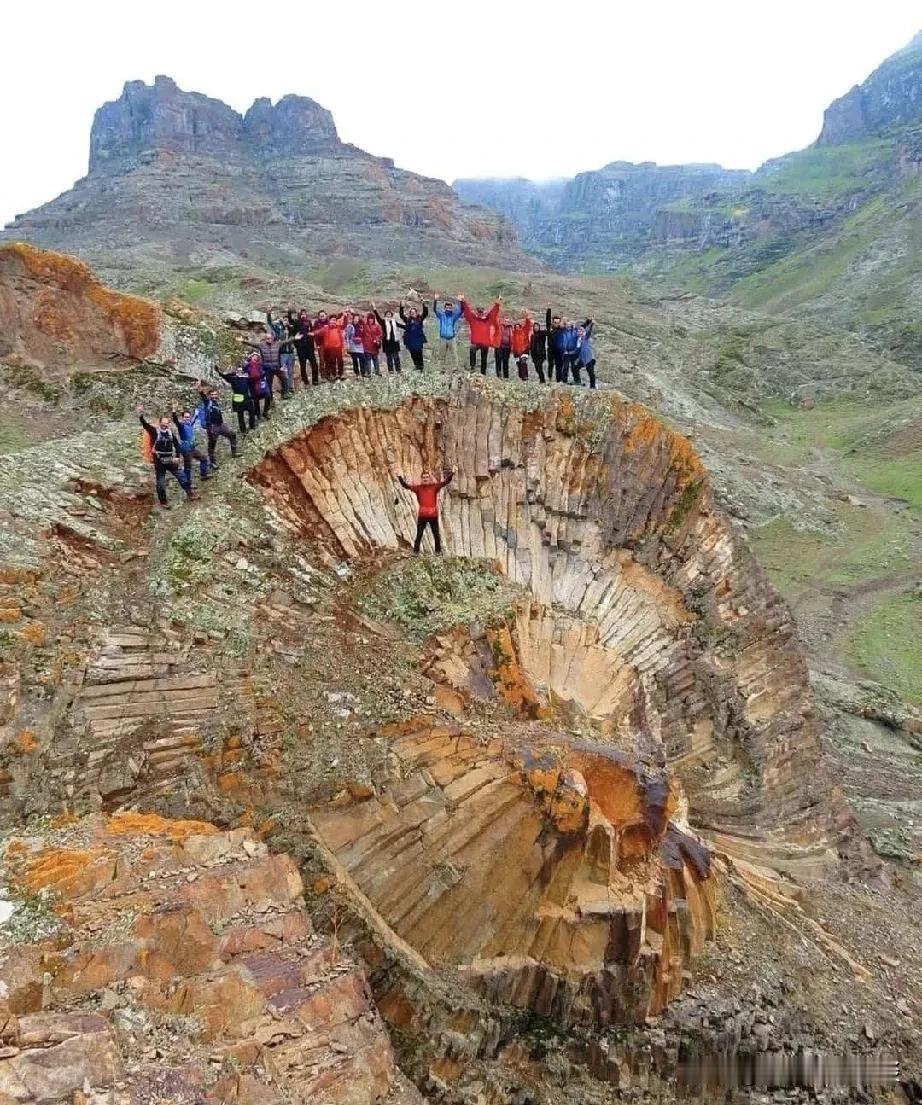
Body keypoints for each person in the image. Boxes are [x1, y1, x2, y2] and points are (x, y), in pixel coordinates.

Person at [138, 407, 193, 509]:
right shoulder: (154, 431)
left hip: (170, 460)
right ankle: (163, 502)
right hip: (159, 462)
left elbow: (177, 446)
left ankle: (190, 494)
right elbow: (145, 425)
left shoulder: (170, 433)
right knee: (161, 483)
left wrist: (177, 457)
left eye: (167, 423)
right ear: (159, 423)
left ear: (169, 424)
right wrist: (141, 415)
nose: (165, 425)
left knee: (182, 477)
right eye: (163, 423)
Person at [398, 469, 453, 553]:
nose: (425, 479)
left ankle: (438, 553)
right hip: (422, 516)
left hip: (433, 516)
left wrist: (453, 473)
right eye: (424, 477)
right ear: (421, 479)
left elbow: (445, 482)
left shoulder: (434, 487)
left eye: (427, 477)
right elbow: (406, 486)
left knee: (436, 535)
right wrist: (399, 477)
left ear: (429, 478)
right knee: (419, 534)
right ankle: (415, 553)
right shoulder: (418, 488)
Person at [195, 381, 238, 465]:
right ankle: (212, 463)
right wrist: (199, 388)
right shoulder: (208, 402)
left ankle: (234, 453)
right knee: (212, 444)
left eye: (215, 395)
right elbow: (203, 396)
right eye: (212, 395)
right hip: (212, 427)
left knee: (232, 435)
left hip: (220, 425)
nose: (214, 396)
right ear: (209, 396)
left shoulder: (215, 402)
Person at [460, 295, 501, 374]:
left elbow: (493, 312)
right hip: (476, 343)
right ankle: (473, 367)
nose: (480, 312)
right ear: (477, 311)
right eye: (479, 310)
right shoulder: (473, 319)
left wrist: (497, 303)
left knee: (484, 359)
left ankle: (483, 373)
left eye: (481, 310)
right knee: (472, 349)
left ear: (483, 311)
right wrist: (463, 301)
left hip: (485, 343)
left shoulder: (488, 320)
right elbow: (467, 311)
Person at [171, 403, 210, 484]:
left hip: (192, 448)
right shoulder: (181, 426)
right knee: (187, 467)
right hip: (186, 449)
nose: (187, 418)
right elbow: (175, 421)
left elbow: (194, 419)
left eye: (188, 417)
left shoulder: (190, 424)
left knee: (203, 458)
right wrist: (174, 411)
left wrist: (196, 413)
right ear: (183, 418)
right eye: (185, 417)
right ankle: (187, 482)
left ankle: (203, 475)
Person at [217, 361, 256, 433]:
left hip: (247, 398)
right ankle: (243, 431)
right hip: (238, 400)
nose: (239, 372)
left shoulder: (246, 378)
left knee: (252, 413)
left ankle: (252, 427)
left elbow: (254, 376)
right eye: (238, 371)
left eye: (241, 371)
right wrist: (219, 372)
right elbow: (225, 376)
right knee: (240, 416)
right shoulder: (233, 379)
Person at [433, 297, 463, 370]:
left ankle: (455, 368)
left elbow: (461, 311)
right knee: (442, 354)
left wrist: (461, 301)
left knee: (454, 354)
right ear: (445, 308)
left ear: (451, 308)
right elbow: (434, 310)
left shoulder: (454, 316)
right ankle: (442, 368)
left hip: (451, 338)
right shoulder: (441, 315)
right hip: (443, 338)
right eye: (447, 307)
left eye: (450, 307)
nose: (448, 308)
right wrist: (435, 300)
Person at [292, 309, 319, 387]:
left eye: (304, 314)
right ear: (300, 315)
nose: (303, 315)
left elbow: (312, 332)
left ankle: (315, 381)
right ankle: (306, 382)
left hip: (310, 348)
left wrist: (313, 336)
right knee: (303, 366)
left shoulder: (309, 322)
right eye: (302, 314)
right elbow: (294, 335)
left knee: (314, 365)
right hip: (301, 349)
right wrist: (297, 345)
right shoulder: (296, 323)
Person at [398, 302, 429, 370]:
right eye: (411, 312)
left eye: (413, 311)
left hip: (418, 339)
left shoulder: (420, 319)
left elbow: (425, 313)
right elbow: (401, 315)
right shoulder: (408, 320)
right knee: (413, 353)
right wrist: (401, 307)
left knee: (419, 353)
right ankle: (416, 365)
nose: (412, 313)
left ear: (416, 312)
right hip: (410, 340)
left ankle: (421, 367)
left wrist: (424, 304)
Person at [373, 304, 402, 373]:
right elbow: (378, 318)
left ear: (391, 315)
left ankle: (398, 370)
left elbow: (401, 326)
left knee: (396, 357)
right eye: (387, 314)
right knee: (389, 357)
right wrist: (374, 309)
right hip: (387, 342)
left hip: (394, 341)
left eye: (390, 314)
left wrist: (408, 326)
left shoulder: (394, 322)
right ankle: (391, 370)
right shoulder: (383, 322)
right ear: (385, 315)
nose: (388, 315)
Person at [246, 351, 271, 419]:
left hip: (262, 384)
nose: (255, 357)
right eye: (254, 356)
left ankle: (265, 412)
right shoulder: (247, 366)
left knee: (268, 396)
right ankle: (258, 415)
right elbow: (246, 376)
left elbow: (268, 368)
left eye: (257, 356)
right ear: (250, 357)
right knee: (256, 400)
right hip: (253, 385)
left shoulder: (260, 365)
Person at [546, 308, 567, 383]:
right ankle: (550, 378)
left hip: (559, 350)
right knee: (550, 364)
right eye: (555, 322)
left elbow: (565, 323)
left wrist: (562, 316)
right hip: (551, 350)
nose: (556, 323)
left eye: (557, 322)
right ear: (553, 322)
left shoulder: (562, 329)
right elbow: (547, 321)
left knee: (559, 365)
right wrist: (549, 310)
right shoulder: (549, 329)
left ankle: (558, 380)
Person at [510, 314, 533, 380]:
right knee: (519, 364)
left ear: (520, 327)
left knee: (523, 362)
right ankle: (521, 376)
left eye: (518, 327)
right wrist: (512, 350)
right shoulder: (513, 334)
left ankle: (525, 376)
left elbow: (528, 325)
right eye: (516, 327)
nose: (517, 328)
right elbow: (512, 343)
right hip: (517, 352)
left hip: (524, 350)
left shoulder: (524, 332)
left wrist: (527, 318)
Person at [576, 319, 597, 389]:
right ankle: (578, 381)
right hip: (582, 359)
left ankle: (593, 387)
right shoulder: (577, 340)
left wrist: (591, 324)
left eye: (582, 330)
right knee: (575, 368)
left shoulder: (586, 337)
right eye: (579, 330)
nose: (580, 331)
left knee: (591, 373)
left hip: (589, 359)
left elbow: (589, 332)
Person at [345, 313, 366, 378]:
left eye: (357, 318)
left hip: (360, 344)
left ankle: (363, 373)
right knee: (355, 360)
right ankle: (356, 373)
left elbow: (363, 334)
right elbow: (347, 336)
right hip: (352, 345)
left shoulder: (360, 326)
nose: (356, 320)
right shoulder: (349, 326)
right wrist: (347, 345)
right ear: (353, 319)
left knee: (362, 358)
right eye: (355, 318)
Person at [530, 318, 548, 383]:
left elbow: (547, 332)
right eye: (535, 327)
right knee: (537, 368)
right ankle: (541, 380)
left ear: (539, 327)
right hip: (534, 355)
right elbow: (531, 345)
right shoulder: (532, 336)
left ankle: (542, 380)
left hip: (541, 354)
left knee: (539, 367)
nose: (536, 328)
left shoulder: (542, 333)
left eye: (537, 326)